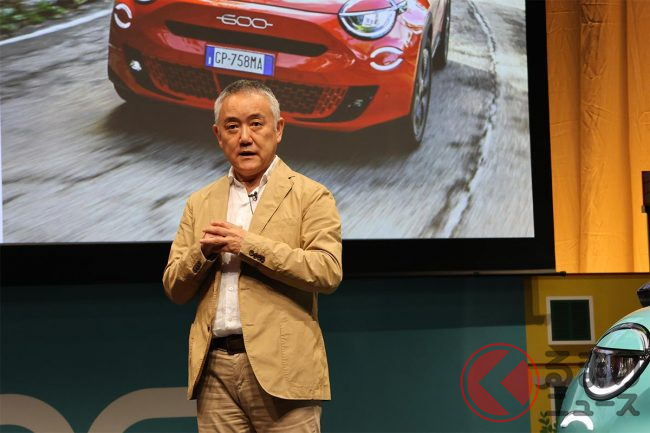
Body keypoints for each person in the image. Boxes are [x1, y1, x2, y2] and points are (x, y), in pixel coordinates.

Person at [162, 79, 343, 432]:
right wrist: (202, 253)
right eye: (232, 127)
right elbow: (174, 287)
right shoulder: (199, 202)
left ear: (279, 129)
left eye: (256, 124)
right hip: (214, 370)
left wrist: (247, 245)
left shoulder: (311, 195)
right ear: (218, 135)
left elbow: (327, 271)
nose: (244, 137)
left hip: (285, 368)